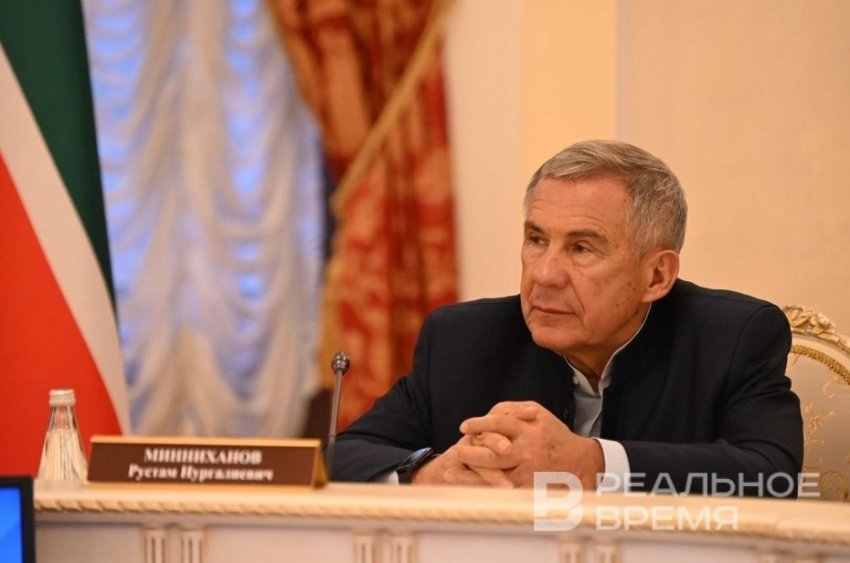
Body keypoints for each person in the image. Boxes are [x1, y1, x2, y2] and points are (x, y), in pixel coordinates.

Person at [332, 140, 803, 496]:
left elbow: (772, 475)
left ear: (656, 275)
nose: (544, 274)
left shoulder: (732, 336)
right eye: (536, 240)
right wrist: (429, 473)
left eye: (581, 248)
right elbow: (340, 456)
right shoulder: (463, 339)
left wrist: (593, 464)